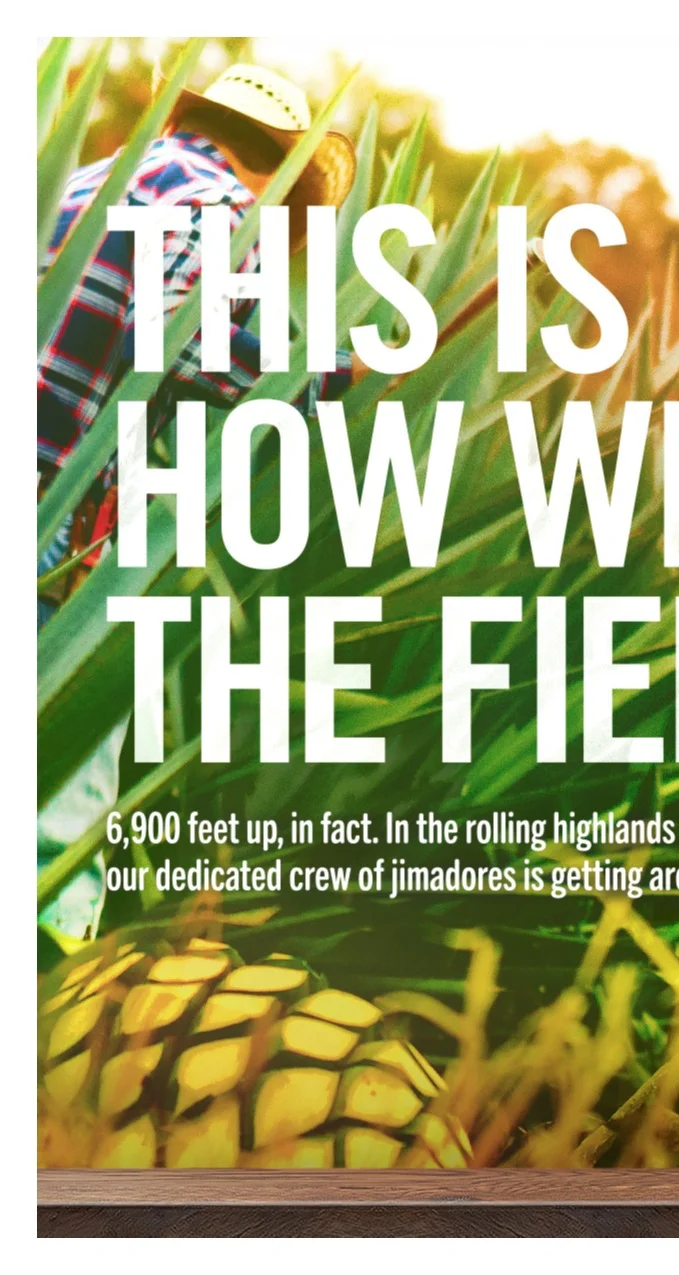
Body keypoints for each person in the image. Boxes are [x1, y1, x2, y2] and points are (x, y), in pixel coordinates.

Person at [37, 63, 357, 950]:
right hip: (49, 522)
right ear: (278, 171)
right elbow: (179, 340)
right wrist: (325, 378)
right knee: (51, 815)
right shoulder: (221, 207)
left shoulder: (87, 179)